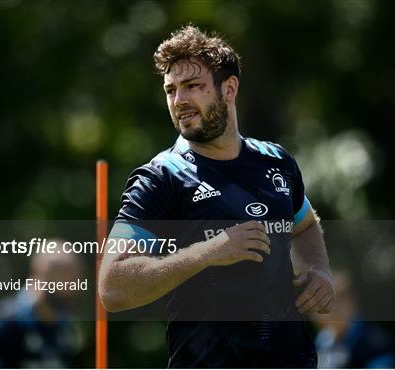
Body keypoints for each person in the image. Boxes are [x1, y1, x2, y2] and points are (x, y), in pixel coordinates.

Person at [99, 25, 334, 368]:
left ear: (229, 89)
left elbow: (305, 226)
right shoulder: (160, 178)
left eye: (193, 86)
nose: (179, 101)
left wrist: (319, 271)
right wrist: (210, 251)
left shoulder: (277, 161)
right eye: (171, 90)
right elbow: (113, 287)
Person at [0, 245, 86, 368]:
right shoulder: (7, 320)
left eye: (75, 277)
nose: (72, 285)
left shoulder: (63, 325)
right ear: (39, 272)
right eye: (65, 275)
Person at [312, 271, 395, 368]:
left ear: (353, 300)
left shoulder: (376, 342)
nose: (333, 308)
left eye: (340, 298)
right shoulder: (322, 340)